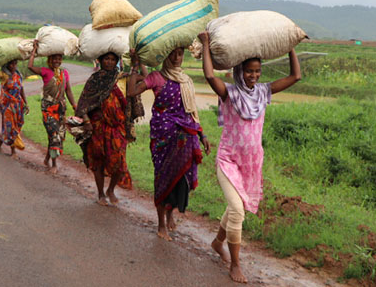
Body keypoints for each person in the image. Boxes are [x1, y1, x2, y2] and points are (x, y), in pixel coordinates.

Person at [197, 31, 301, 283]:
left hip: (251, 163)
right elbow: (210, 75)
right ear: (239, 71)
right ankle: (235, 265)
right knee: (236, 210)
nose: (253, 76)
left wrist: (290, 46)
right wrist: (207, 44)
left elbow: (295, 76)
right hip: (228, 159)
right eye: (248, 71)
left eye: (257, 71)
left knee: (238, 206)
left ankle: (217, 242)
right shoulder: (229, 93)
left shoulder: (263, 92)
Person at [128, 47, 210, 241]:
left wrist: (202, 135)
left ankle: (170, 212)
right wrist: (134, 67)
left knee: (182, 180)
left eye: (180, 53)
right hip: (163, 138)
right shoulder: (157, 77)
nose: (176, 57)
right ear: (164, 56)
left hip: (185, 137)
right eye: (172, 53)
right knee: (163, 178)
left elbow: (191, 111)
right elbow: (132, 92)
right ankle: (161, 224)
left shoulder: (186, 81)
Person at [76, 51, 144, 206]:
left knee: (120, 163)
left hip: (118, 128)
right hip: (98, 127)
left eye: (113, 59)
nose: (109, 62)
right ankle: (101, 193)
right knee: (98, 160)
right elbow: (84, 104)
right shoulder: (94, 80)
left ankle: (111, 190)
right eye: (106, 58)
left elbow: (145, 79)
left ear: (117, 61)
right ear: (100, 60)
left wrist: (137, 62)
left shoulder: (123, 78)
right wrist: (86, 121)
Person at [28, 40, 77, 173]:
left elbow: (68, 91)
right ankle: (54, 164)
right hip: (48, 109)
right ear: (50, 59)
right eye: (54, 58)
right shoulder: (45, 71)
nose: (57, 61)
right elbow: (30, 66)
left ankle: (47, 158)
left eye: (59, 58)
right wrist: (34, 51)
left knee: (59, 136)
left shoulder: (64, 73)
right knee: (54, 134)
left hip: (60, 109)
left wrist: (74, 105)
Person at [0, 53, 29, 156]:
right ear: (7, 65)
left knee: (14, 125)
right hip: (6, 105)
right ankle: (13, 151)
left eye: (15, 63)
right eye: (11, 64)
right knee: (10, 126)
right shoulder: (4, 75)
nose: (14, 66)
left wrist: (25, 103)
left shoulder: (18, 75)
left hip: (17, 104)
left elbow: (21, 89)